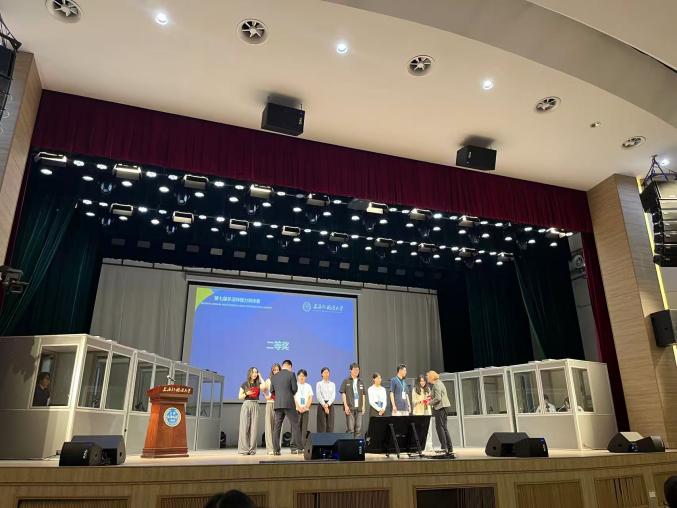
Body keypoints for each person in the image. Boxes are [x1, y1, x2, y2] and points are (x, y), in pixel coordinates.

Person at [270, 359, 300, 455]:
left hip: (278, 404)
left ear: (282, 366)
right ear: (290, 366)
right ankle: (295, 448)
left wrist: (280, 396)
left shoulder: (274, 376)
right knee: (295, 425)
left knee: (277, 427)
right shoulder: (291, 374)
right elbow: (295, 389)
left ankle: (276, 450)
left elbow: (272, 391)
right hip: (289, 403)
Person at [426, 370, 454, 457]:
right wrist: (430, 396)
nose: (427, 379)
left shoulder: (437, 384)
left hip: (440, 408)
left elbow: (438, 398)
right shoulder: (439, 383)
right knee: (444, 428)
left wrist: (429, 403)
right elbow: (437, 395)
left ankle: (444, 447)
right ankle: (449, 448)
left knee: (440, 428)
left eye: (428, 377)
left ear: (431, 377)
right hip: (444, 407)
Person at [237, 367, 262, 455]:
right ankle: (244, 449)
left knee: (254, 429)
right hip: (246, 404)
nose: (255, 374)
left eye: (256, 372)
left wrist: (260, 377)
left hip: (255, 405)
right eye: (253, 372)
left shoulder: (258, 384)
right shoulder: (244, 384)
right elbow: (239, 397)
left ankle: (252, 450)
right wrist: (246, 393)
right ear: (249, 373)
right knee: (244, 427)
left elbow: (264, 387)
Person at [340, 362, 366, 437]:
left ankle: (356, 443)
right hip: (350, 408)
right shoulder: (346, 380)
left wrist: (363, 406)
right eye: (354, 370)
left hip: (359, 408)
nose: (356, 371)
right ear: (350, 370)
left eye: (358, 370)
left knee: (358, 428)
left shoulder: (361, 381)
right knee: (350, 429)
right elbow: (343, 393)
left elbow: (363, 394)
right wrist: (345, 406)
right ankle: (350, 443)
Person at [412, 374, 435, 452]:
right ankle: (420, 447)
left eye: (424, 381)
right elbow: (413, 401)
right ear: (418, 382)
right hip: (419, 412)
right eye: (421, 381)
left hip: (427, 410)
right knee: (420, 430)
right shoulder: (415, 389)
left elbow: (430, 398)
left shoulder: (428, 389)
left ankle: (429, 446)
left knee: (429, 429)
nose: (422, 382)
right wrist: (421, 401)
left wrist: (428, 400)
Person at [262, 363, 281, 455]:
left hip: (279, 405)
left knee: (277, 427)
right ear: (272, 371)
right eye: (274, 370)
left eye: (277, 370)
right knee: (269, 426)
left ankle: (276, 448)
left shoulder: (282, 381)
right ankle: (269, 449)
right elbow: (264, 390)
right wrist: (266, 396)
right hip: (270, 404)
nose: (276, 371)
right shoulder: (268, 380)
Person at [294, 369, 313, 450]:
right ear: (297, 377)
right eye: (300, 376)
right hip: (296, 409)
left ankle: (303, 446)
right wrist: (298, 407)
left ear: (306, 377)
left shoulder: (308, 386)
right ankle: (297, 446)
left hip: (306, 410)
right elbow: (293, 397)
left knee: (304, 429)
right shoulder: (295, 385)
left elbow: (310, 397)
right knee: (297, 428)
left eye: (303, 376)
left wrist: (306, 407)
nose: (302, 377)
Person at [315, 367, 336, 432]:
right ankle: (321, 439)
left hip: (330, 405)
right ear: (322, 374)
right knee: (322, 425)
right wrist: (324, 405)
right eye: (325, 372)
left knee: (330, 425)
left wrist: (328, 404)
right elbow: (318, 395)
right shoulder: (319, 384)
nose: (326, 374)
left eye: (327, 372)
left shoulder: (332, 384)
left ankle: (329, 439)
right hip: (322, 405)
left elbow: (333, 396)